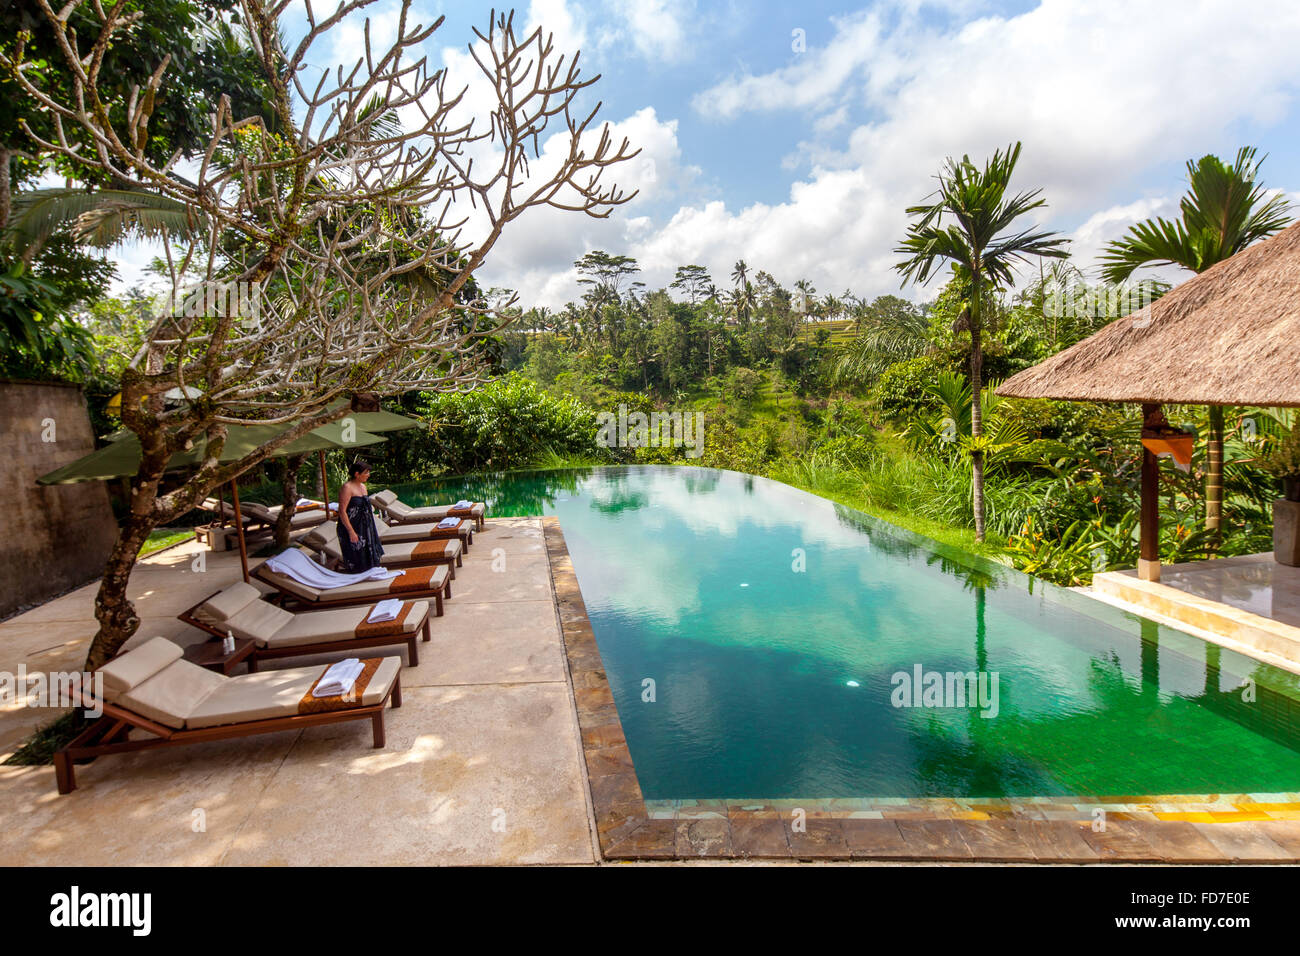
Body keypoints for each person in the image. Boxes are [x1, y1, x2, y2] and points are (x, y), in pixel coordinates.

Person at [337, 459, 384, 572]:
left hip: (365, 526)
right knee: (357, 557)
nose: (368, 475)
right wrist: (351, 531)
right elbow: (342, 511)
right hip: (352, 526)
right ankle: (359, 580)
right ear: (357, 474)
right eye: (366, 473)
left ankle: (373, 574)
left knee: (369, 553)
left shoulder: (363, 487)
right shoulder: (347, 488)